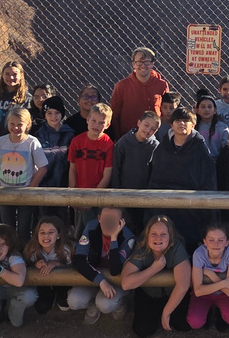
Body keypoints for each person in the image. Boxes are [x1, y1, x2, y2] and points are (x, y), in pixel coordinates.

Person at [147, 107, 217, 247]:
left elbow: (208, 182)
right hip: (165, 206)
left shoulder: (200, 149)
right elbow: (154, 179)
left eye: (186, 121)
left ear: (193, 124)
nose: (182, 124)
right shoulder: (162, 148)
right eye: (178, 120)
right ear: (171, 124)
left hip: (191, 208)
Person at [121, 215, 192, 337]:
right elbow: (126, 284)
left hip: (172, 293)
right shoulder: (141, 248)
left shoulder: (176, 248)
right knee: (142, 331)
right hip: (148, 294)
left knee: (184, 325)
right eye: (153, 233)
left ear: (170, 236)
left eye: (163, 234)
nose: (158, 237)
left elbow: (184, 285)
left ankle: (164, 313)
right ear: (147, 235)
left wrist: (166, 313)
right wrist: (154, 269)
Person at [0, 106, 47, 244]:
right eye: (12, 124)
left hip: (25, 192)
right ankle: (9, 254)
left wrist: (31, 187)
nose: (15, 128)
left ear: (27, 125)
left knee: (24, 228)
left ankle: (23, 256)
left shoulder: (32, 142)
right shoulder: (1, 142)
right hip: (5, 191)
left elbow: (43, 167)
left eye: (20, 124)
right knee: (7, 227)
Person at [68, 207, 135, 324]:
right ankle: (93, 303)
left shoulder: (128, 237)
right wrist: (101, 281)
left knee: (105, 304)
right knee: (74, 300)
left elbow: (115, 270)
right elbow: (79, 260)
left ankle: (120, 302)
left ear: (121, 222)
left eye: (113, 220)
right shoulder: (91, 227)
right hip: (95, 277)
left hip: (116, 281)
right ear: (99, 218)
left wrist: (114, 238)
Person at [187, 222, 229, 335]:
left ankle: (219, 312)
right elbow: (198, 291)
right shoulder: (199, 254)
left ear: (227, 242)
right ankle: (207, 312)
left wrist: (210, 274)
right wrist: (224, 283)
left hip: (221, 294)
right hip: (204, 293)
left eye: (221, 240)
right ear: (204, 242)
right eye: (211, 240)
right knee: (195, 322)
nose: (216, 244)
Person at [67, 102, 114, 232]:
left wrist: (92, 199)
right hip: (79, 194)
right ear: (87, 120)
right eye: (93, 120)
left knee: (93, 231)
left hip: (97, 196)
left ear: (107, 125)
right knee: (78, 230)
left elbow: (107, 174)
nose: (96, 125)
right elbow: (72, 169)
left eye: (101, 122)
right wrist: (72, 193)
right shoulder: (76, 141)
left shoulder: (108, 144)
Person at [109, 46, 169, 139]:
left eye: (147, 62)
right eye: (139, 62)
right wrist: (118, 138)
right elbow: (114, 115)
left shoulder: (162, 85)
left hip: (154, 137)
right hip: (128, 137)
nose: (143, 65)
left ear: (153, 63)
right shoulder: (121, 86)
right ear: (133, 64)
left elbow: (166, 112)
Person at [22, 215, 73, 315]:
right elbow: (25, 265)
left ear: (59, 235)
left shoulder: (67, 250)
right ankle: (49, 295)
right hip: (42, 282)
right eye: (42, 233)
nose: (46, 236)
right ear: (37, 235)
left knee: (64, 306)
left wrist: (57, 264)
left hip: (63, 282)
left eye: (51, 232)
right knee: (41, 308)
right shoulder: (32, 249)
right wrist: (35, 264)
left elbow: (74, 268)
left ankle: (59, 295)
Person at [0, 60, 31, 152]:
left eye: (15, 74)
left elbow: (28, 124)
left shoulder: (26, 98)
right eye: (7, 74)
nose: (11, 77)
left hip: (16, 146)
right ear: (2, 75)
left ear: (21, 76)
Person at [111, 110, 160, 190]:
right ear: (139, 123)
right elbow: (116, 169)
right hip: (123, 191)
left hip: (145, 193)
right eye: (146, 125)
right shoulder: (123, 143)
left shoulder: (155, 146)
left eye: (153, 129)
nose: (148, 130)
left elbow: (155, 173)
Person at [194, 92, 229, 160]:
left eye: (209, 107)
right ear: (197, 110)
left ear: (215, 110)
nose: (206, 109)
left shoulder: (222, 128)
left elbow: (227, 149)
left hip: (218, 163)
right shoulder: (193, 127)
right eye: (203, 107)